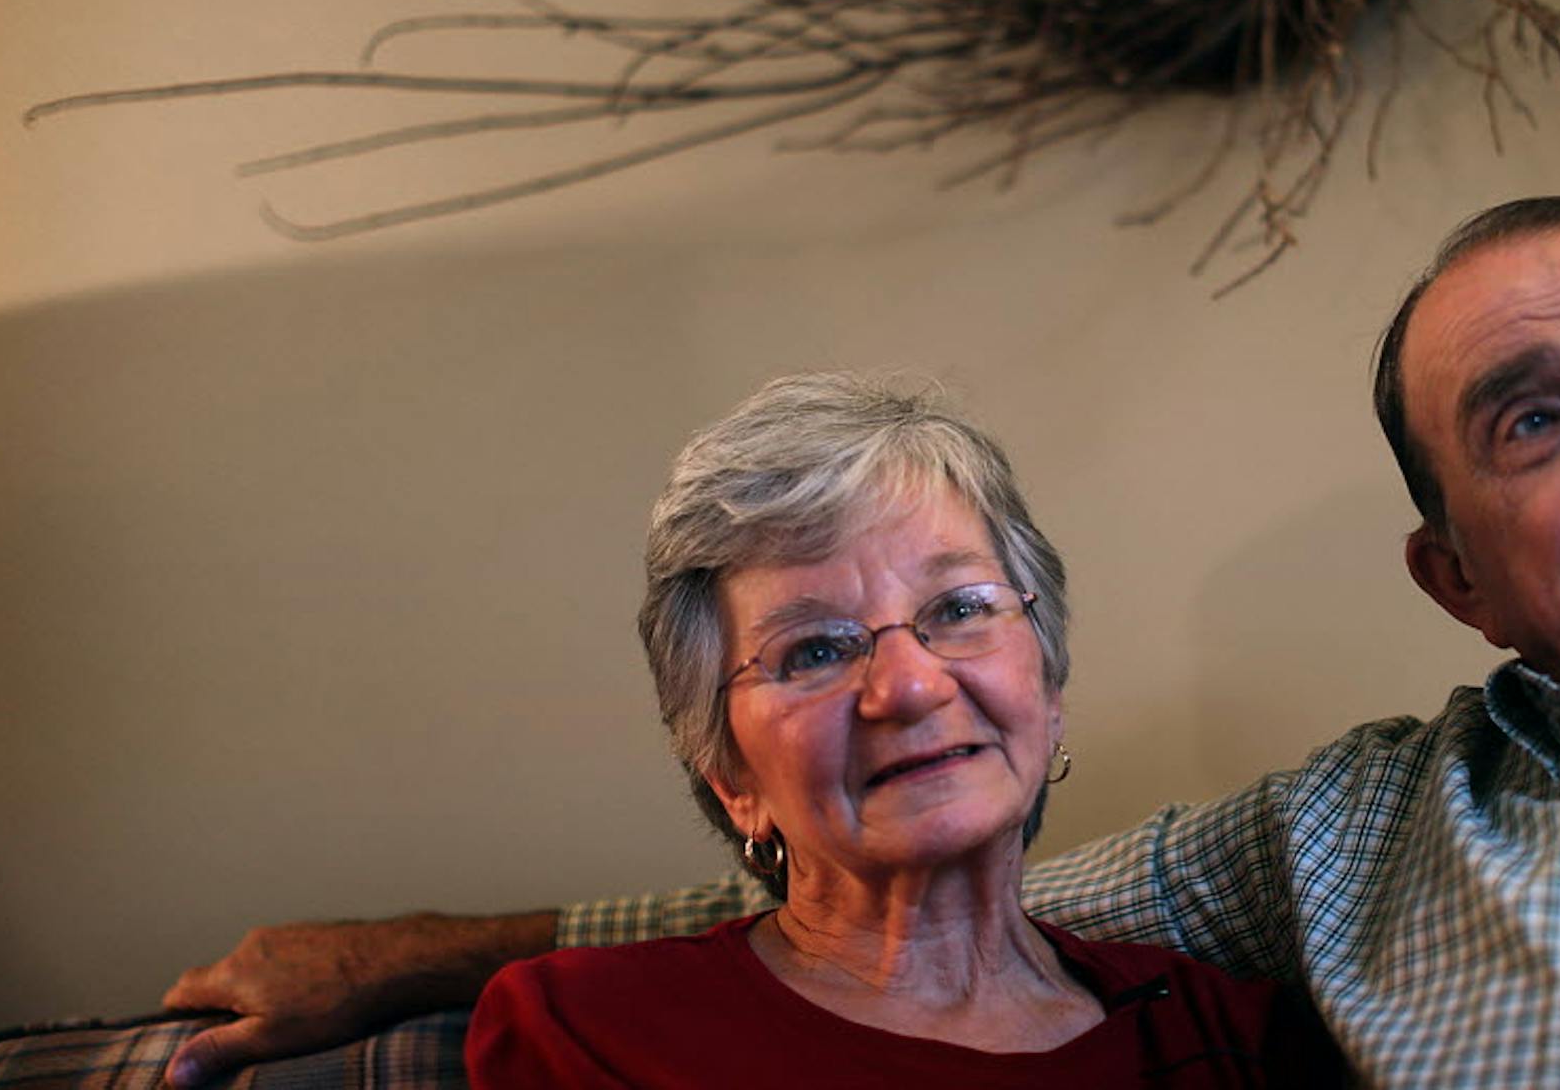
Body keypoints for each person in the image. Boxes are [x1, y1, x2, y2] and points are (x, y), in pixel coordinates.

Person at [162, 196, 1560, 1087]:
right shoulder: (1344, 834)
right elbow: (868, 897)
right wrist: (407, 953)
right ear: (1455, 575)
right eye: (1532, 411)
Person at [461, 372, 1338, 1086]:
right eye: (812, 651)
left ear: (1049, 685)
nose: (911, 684)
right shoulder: (591, 1030)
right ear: (733, 778)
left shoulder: (1226, 1038)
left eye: (958, 607)